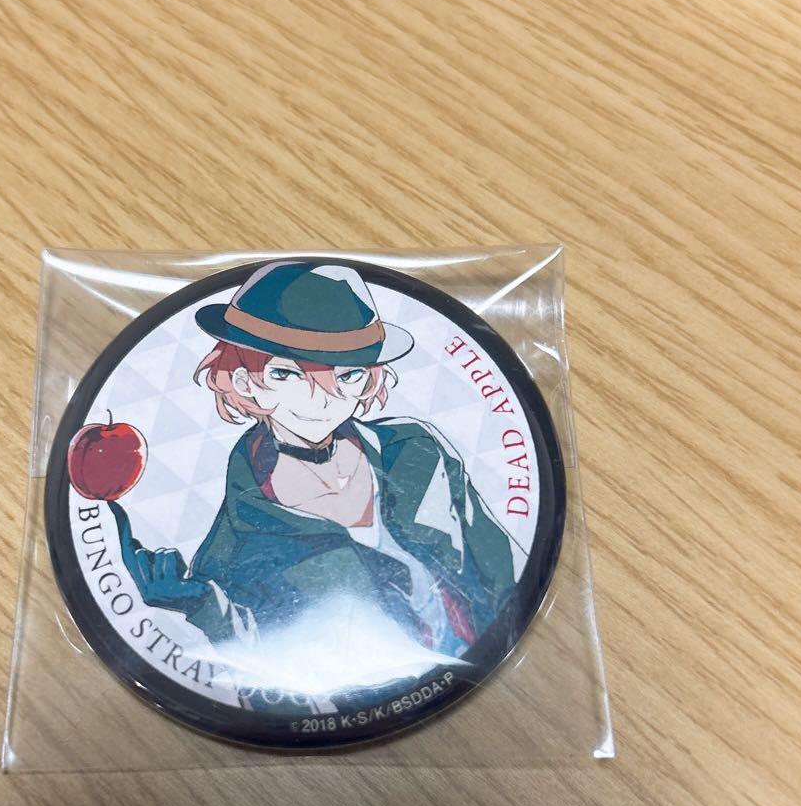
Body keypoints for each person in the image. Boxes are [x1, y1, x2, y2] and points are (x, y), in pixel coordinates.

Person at [108, 260, 515, 671]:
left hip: (484, 654)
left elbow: (501, 562)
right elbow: (273, 665)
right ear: (245, 382)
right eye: (286, 373)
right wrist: (203, 605)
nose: (324, 398)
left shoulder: (416, 449)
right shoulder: (233, 548)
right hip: (387, 680)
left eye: (349, 375)